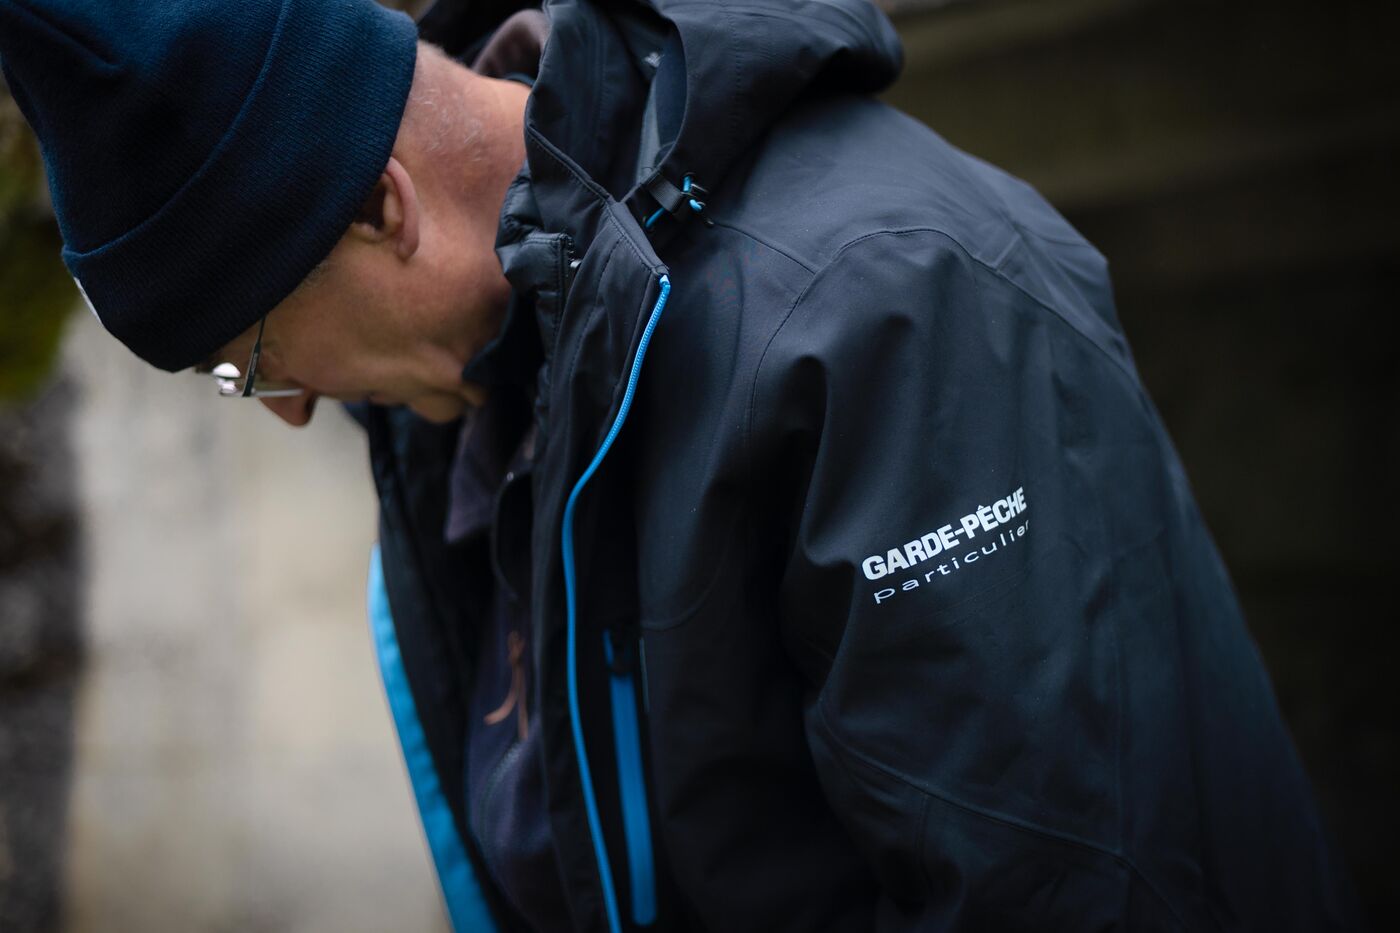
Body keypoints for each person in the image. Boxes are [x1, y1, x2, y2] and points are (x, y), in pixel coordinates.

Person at [0, 0, 1365, 930]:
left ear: (377, 206)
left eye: (250, 357)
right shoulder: (469, 412)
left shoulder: (889, 307)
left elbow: (1073, 883)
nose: (291, 413)